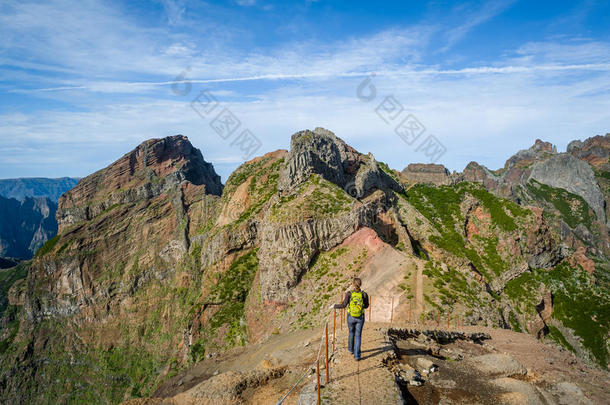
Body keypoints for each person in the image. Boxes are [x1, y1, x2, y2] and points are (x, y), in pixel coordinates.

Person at [330, 277, 369, 361]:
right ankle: (357, 356)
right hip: (360, 317)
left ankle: (351, 350)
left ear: (353, 284)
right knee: (358, 336)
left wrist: (334, 306)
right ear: (360, 284)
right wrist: (361, 306)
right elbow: (366, 306)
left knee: (351, 332)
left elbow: (343, 305)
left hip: (351, 317)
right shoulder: (364, 294)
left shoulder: (349, 293)